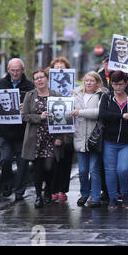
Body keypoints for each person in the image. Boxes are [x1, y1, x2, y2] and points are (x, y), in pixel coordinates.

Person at [0, 58, 34, 200]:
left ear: (23, 70)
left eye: (18, 70)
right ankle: (7, 185)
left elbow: (36, 105)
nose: (15, 73)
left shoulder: (29, 86)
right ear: (8, 70)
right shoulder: (0, 84)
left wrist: (26, 107)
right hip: (5, 132)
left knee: (23, 164)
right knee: (5, 160)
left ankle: (20, 191)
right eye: (13, 70)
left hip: (22, 132)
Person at [21, 69, 63, 208]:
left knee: (50, 167)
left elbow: (64, 118)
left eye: (42, 77)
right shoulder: (29, 96)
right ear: (34, 82)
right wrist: (39, 117)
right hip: (36, 138)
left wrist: (59, 137)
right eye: (36, 78)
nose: (39, 80)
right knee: (38, 168)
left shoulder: (56, 95)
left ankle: (48, 192)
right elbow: (24, 116)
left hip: (51, 138)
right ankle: (38, 195)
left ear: (47, 79)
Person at [99, 71, 128, 210]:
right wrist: (121, 116)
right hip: (109, 140)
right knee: (110, 170)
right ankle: (112, 198)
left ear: (126, 83)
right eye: (115, 84)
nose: (118, 87)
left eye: (120, 84)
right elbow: (103, 114)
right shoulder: (107, 97)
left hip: (127, 141)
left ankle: (125, 193)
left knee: (123, 169)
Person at [70, 71, 106, 207]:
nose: (89, 83)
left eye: (92, 81)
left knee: (94, 169)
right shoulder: (76, 95)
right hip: (79, 137)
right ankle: (84, 194)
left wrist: (80, 112)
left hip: (94, 139)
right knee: (83, 171)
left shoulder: (101, 95)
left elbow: (99, 113)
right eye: (86, 80)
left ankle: (95, 197)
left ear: (97, 83)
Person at [49, 57, 74, 202]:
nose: (59, 70)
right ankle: (52, 189)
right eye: (56, 67)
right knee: (53, 159)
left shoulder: (74, 86)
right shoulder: (47, 86)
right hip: (53, 126)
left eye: (62, 67)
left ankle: (62, 189)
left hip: (68, 127)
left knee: (66, 158)